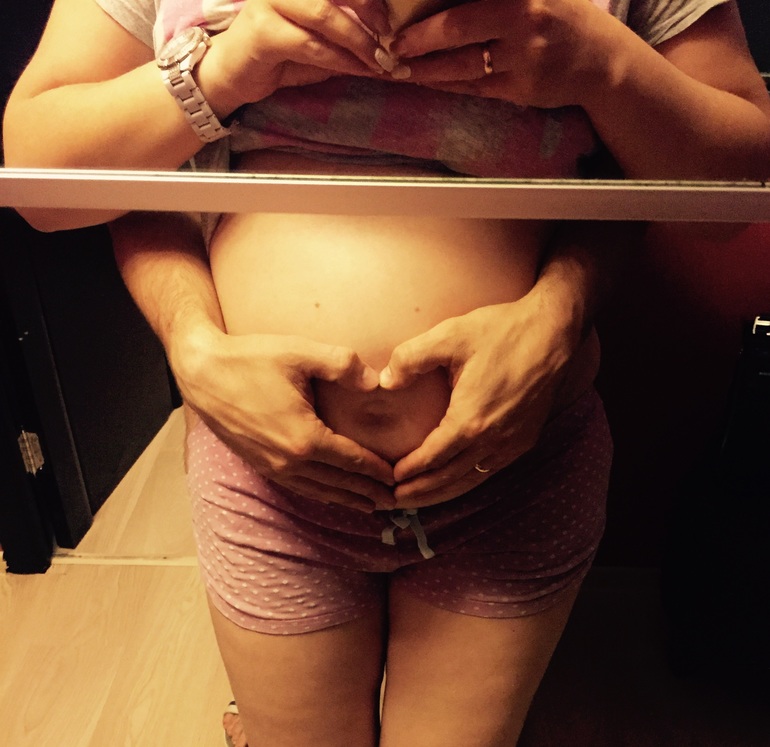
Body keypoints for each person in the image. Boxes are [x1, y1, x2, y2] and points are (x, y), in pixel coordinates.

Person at [4, 1, 770, 745]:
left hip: (517, 477)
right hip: (267, 483)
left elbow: (737, 190)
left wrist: (602, 66)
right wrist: (223, 73)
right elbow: (42, 178)